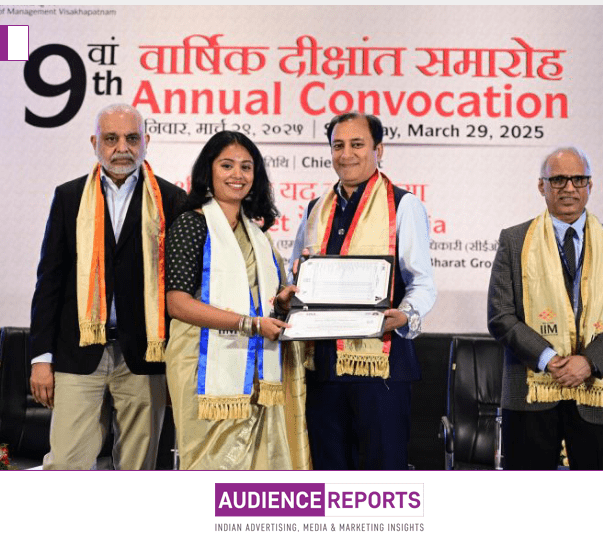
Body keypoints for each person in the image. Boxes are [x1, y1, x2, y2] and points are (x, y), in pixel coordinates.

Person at [29, 103, 186, 470]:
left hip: (145, 357)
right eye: (111, 139)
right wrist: (41, 359)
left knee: (138, 469)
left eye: (132, 138)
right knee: (66, 465)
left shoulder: (172, 200)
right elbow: (49, 281)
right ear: (94, 143)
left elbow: (180, 288)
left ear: (146, 141)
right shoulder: (69, 197)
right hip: (77, 350)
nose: (122, 148)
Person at [290, 112, 436, 470]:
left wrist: (405, 315)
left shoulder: (403, 205)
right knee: (328, 473)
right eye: (338, 145)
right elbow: (297, 274)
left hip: (381, 367)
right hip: (324, 366)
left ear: (378, 149)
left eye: (357, 144)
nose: (346, 154)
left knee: (381, 474)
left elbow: (422, 282)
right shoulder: (315, 209)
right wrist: (290, 292)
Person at [487, 146, 603, 470]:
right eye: (558, 179)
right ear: (541, 186)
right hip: (531, 396)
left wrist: (589, 362)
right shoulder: (515, 241)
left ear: (590, 185)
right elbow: (500, 315)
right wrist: (550, 360)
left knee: (598, 498)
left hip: (600, 396)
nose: (569, 188)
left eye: (578, 179)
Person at [164, 131, 310, 470]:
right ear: (209, 171)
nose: (237, 175)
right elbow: (177, 304)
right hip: (200, 365)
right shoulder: (191, 224)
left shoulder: (256, 234)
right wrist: (249, 324)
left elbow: (261, 302)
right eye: (227, 165)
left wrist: (282, 303)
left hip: (256, 367)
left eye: (246, 167)